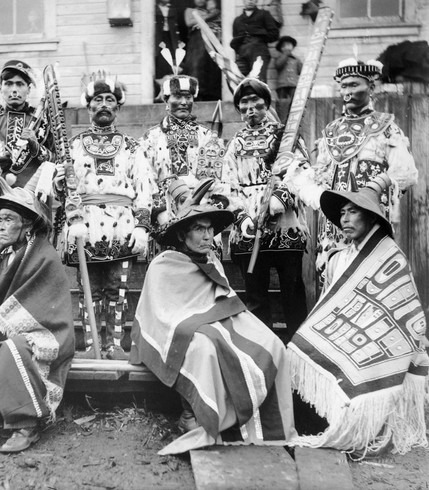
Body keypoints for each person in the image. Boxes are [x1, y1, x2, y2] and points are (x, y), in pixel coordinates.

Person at [131, 182, 296, 455]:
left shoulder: (212, 260)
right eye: (199, 229)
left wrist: (216, 322)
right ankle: (192, 414)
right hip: (180, 328)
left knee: (271, 343)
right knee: (204, 348)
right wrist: (198, 324)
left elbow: (224, 300)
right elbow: (161, 313)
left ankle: (259, 422)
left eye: (210, 229)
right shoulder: (164, 264)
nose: (207, 236)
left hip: (216, 319)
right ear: (183, 235)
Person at [288, 175, 428, 459]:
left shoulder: (391, 258)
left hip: (377, 349)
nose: (345, 219)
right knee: (296, 358)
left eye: (354, 212)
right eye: (342, 213)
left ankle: (360, 419)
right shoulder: (339, 257)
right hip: (345, 343)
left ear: (371, 218)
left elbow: (405, 317)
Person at [0, 183, 75, 453]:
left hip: (46, 332)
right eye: (1, 219)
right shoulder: (3, 255)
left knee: (12, 347)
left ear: (28, 224)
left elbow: (38, 308)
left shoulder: (45, 257)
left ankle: (26, 424)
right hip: (13, 325)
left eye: (9, 220)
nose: (2, 226)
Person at [54, 74, 155, 360]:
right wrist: (62, 188)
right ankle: (90, 347)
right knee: (90, 290)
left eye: (109, 100)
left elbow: (145, 188)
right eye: (97, 100)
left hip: (122, 226)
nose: (103, 105)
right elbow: (61, 189)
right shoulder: (72, 146)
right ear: (88, 107)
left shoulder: (133, 147)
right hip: (83, 225)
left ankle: (114, 346)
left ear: (118, 107)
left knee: (117, 289)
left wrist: (142, 226)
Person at [287, 58, 418, 273]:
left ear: (371, 87)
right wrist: (300, 174)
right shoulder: (331, 131)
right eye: (344, 86)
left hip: (369, 219)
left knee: (370, 278)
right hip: (334, 224)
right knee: (334, 278)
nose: (347, 91)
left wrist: (374, 188)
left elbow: (406, 173)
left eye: (354, 85)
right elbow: (321, 176)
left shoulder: (386, 128)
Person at [223, 78, 310, 342]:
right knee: (256, 296)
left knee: (292, 292)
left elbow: (301, 170)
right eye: (244, 104)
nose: (251, 109)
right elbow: (227, 183)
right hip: (250, 227)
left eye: (256, 103)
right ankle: (263, 348)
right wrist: (242, 218)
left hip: (285, 224)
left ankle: (298, 348)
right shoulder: (236, 143)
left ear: (266, 104)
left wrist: (279, 200)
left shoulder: (286, 137)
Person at [140, 75, 225, 226]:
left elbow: (218, 181)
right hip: (166, 214)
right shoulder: (151, 138)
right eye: (177, 96)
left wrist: (209, 209)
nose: (184, 102)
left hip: (202, 211)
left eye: (188, 97)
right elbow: (146, 179)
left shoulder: (207, 137)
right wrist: (161, 213)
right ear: (166, 100)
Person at [0, 59, 55, 195]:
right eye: (8, 84)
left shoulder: (42, 121)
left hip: (32, 199)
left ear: (28, 89)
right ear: (0, 88)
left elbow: (54, 162)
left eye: (20, 84)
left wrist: (36, 147)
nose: (14, 90)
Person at [180, 0, 222, 101]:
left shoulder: (210, 11)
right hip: (196, 41)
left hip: (210, 40)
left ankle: (210, 95)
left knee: (211, 66)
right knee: (196, 66)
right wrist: (209, 16)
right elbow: (189, 22)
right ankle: (196, 93)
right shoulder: (190, 10)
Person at [230, 0, 279, 83]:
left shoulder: (263, 14)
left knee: (258, 80)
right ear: (244, 1)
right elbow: (235, 39)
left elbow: (274, 34)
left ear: (256, 1)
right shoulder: (238, 20)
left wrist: (259, 38)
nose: (250, 1)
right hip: (242, 53)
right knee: (239, 81)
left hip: (258, 51)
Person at [273, 36, 302, 101]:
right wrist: (285, 54)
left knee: (294, 100)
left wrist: (301, 64)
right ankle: (282, 111)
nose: (287, 48)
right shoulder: (279, 58)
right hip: (282, 84)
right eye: (284, 46)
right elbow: (278, 65)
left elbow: (300, 71)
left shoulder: (296, 59)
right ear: (281, 48)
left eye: (289, 45)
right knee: (282, 102)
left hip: (293, 84)